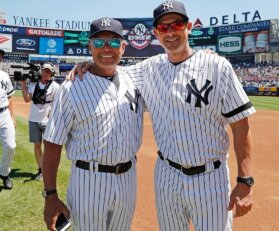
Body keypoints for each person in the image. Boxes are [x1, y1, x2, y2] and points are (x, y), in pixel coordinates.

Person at [73, 1, 255, 230]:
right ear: (155, 33)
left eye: (176, 24)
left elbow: (241, 125)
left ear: (188, 27)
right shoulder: (147, 69)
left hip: (211, 177)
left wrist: (245, 180)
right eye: (163, 28)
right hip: (167, 176)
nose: (170, 32)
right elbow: (110, 66)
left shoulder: (217, 66)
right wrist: (88, 64)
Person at [42, 17, 145, 231]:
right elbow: (52, 144)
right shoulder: (71, 88)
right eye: (99, 42)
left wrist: (203, 57)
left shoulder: (135, 78)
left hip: (127, 180)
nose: (106, 48)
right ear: (90, 46)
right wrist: (50, 195)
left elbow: (172, 63)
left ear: (123, 47)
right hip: (89, 181)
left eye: (114, 42)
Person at [20, 63, 60, 180]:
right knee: (37, 146)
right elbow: (27, 99)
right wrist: (23, 85)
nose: (46, 73)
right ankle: (41, 170)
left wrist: (52, 115)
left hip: (47, 121)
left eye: (48, 71)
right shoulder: (33, 84)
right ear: (41, 71)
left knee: (48, 147)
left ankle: (48, 170)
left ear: (51, 73)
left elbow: (57, 104)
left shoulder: (55, 86)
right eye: (44, 70)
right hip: (33, 120)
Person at [0, 48, 16, 189]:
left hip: (4, 113)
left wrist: (12, 117)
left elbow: (9, 97)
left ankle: (4, 173)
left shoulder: (4, 75)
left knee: (10, 146)